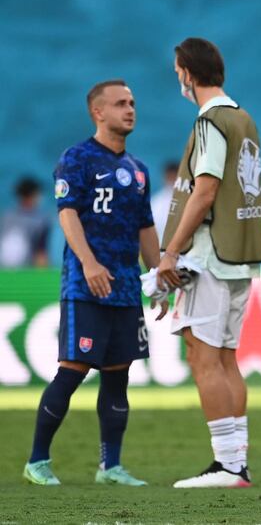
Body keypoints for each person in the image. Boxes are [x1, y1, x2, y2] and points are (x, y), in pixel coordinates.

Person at [23, 80, 167, 486]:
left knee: (118, 376)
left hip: (123, 287)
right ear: (97, 113)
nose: (130, 109)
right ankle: (37, 461)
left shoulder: (138, 171)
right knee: (72, 370)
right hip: (85, 285)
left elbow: (145, 227)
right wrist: (88, 264)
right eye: (120, 104)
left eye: (133, 103)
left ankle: (111, 466)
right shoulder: (77, 159)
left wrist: (157, 278)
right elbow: (66, 214)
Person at [158, 37, 261, 489]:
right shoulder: (243, 118)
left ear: (186, 72)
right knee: (225, 358)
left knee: (203, 358)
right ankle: (236, 462)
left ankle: (227, 465)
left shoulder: (210, 123)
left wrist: (169, 253)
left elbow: (204, 190)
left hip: (209, 256)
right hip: (241, 256)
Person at [0, 176, 51, 267]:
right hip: (25, 268)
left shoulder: (6, 216)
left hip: (3, 267)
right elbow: (41, 253)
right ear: (32, 196)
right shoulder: (41, 220)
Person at [150, 161, 179, 241]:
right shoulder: (156, 201)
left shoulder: (155, 201)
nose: (171, 180)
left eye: (173, 177)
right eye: (170, 177)